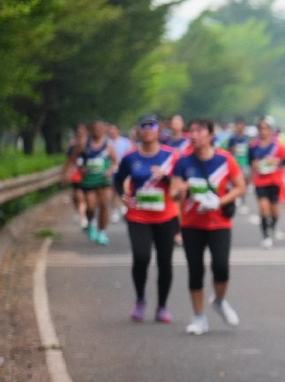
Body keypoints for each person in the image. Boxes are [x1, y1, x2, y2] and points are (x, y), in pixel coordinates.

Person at [171, 119, 246, 335]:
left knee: (221, 267)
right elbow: (173, 193)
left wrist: (219, 201)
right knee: (196, 270)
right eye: (191, 131)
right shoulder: (183, 162)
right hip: (192, 224)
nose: (194, 135)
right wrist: (182, 189)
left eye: (199, 131)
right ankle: (199, 317)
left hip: (219, 223)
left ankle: (220, 301)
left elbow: (241, 186)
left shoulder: (225, 159)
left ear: (211, 135)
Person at [113, 115, 179, 323]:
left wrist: (165, 177)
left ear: (159, 132)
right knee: (141, 258)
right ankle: (140, 299)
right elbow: (118, 178)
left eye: (153, 126)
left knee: (164, 262)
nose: (148, 130)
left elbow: (180, 183)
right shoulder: (131, 157)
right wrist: (122, 195)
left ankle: (162, 306)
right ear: (138, 132)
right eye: (144, 126)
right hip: (138, 216)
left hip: (166, 216)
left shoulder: (171, 156)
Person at [248, 116, 285, 249]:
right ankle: (266, 236)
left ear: (270, 130)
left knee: (275, 211)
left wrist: (275, 161)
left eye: (265, 128)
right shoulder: (253, 146)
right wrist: (256, 165)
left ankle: (273, 226)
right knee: (264, 208)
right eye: (260, 128)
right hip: (260, 181)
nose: (263, 131)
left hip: (274, 181)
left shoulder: (277, 145)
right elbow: (251, 162)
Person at [77, 120, 119, 245]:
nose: (97, 131)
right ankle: (91, 222)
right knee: (90, 206)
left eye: (100, 129)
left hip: (104, 180)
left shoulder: (108, 145)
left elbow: (115, 161)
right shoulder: (84, 144)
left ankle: (102, 232)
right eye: (95, 129)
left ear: (104, 130)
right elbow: (75, 159)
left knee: (104, 205)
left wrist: (110, 170)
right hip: (89, 180)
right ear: (91, 130)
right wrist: (81, 168)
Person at [225, 117, 253, 211]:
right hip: (235, 163)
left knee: (245, 181)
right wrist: (233, 150)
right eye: (238, 125)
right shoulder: (232, 139)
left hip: (245, 163)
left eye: (241, 125)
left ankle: (243, 197)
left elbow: (250, 151)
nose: (240, 127)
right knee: (235, 182)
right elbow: (228, 151)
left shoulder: (247, 139)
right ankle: (236, 197)